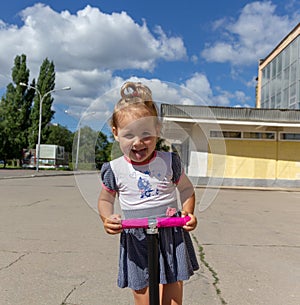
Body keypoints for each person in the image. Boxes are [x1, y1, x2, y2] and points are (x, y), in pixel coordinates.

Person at [98, 81, 199, 305]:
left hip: (171, 233)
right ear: (115, 133)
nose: (138, 142)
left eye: (146, 134)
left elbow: (186, 188)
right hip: (136, 236)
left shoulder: (168, 161)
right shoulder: (115, 169)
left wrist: (188, 214)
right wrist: (107, 218)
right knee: (141, 290)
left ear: (157, 130)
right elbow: (105, 199)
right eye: (129, 135)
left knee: (173, 289)